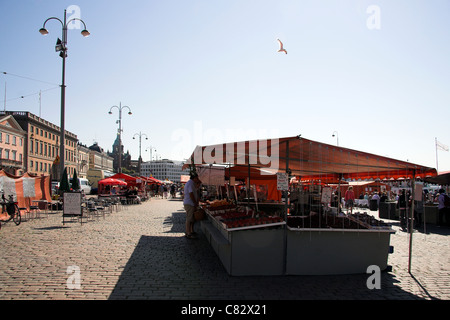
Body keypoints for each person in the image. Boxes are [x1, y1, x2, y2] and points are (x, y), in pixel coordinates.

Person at [183, 173, 201, 239]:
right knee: (189, 218)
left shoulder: (191, 183)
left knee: (192, 218)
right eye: (197, 178)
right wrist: (195, 202)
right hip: (190, 203)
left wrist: (198, 185)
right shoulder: (190, 183)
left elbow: (195, 191)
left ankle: (191, 231)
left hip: (190, 203)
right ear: (194, 178)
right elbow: (191, 194)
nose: (198, 179)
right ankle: (188, 233)